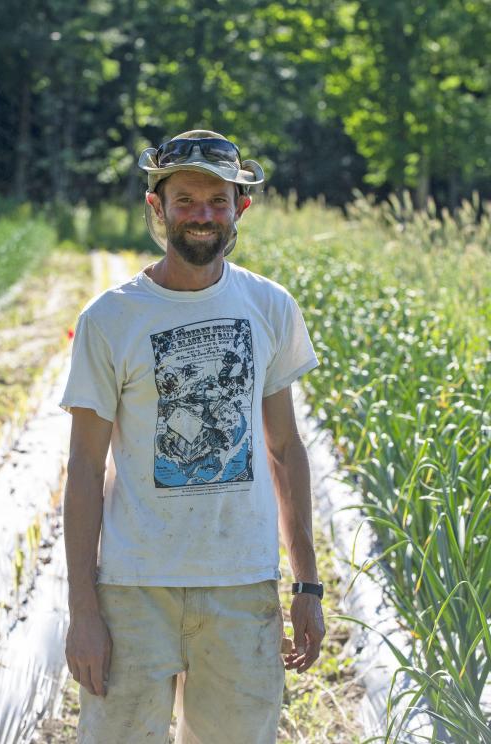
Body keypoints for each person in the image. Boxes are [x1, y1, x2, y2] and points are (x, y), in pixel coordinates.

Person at [60, 129, 326, 744]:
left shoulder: (270, 306)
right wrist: (82, 610)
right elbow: (82, 469)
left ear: (241, 208)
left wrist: (308, 585)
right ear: (157, 207)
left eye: (216, 201)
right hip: (133, 589)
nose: (202, 216)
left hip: (241, 585)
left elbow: (286, 450)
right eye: (185, 200)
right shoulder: (110, 318)